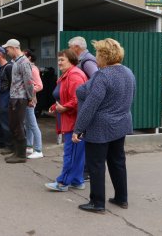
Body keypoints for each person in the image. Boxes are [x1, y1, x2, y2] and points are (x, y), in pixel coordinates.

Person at [72, 38, 135, 214]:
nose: (96, 57)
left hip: (100, 127)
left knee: (96, 164)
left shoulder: (102, 75)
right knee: (118, 162)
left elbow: (90, 104)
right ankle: (122, 198)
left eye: (98, 54)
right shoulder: (128, 72)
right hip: (121, 123)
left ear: (103, 55)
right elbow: (130, 97)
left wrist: (79, 129)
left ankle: (97, 203)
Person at [45, 49, 87, 191]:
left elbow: (77, 99)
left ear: (71, 60)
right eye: (59, 59)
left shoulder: (74, 75)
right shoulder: (68, 74)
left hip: (74, 122)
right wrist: (55, 106)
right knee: (76, 152)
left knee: (71, 153)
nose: (59, 62)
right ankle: (77, 180)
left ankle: (63, 182)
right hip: (72, 120)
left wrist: (64, 108)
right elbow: (64, 97)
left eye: (62, 59)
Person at [68, 36, 98, 180]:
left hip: (86, 104)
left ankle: (87, 171)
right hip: (83, 103)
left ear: (76, 47)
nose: (69, 50)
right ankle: (85, 169)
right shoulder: (83, 60)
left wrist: (84, 92)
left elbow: (96, 79)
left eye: (70, 47)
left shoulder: (87, 61)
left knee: (85, 136)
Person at [2, 39, 34, 164]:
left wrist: (31, 98)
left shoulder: (24, 62)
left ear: (14, 48)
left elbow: (29, 82)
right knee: (13, 125)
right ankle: (17, 151)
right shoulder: (16, 61)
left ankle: (21, 155)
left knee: (18, 126)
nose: (7, 51)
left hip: (20, 99)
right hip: (14, 98)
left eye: (8, 49)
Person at [24, 49, 44, 159]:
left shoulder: (33, 68)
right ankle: (29, 146)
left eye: (24, 55)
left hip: (30, 100)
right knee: (27, 123)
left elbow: (40, 85)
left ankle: (38, 149)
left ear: (29, 57)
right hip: (26, 100)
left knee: (32, 124)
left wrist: (29, 92)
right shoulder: (27, 67)